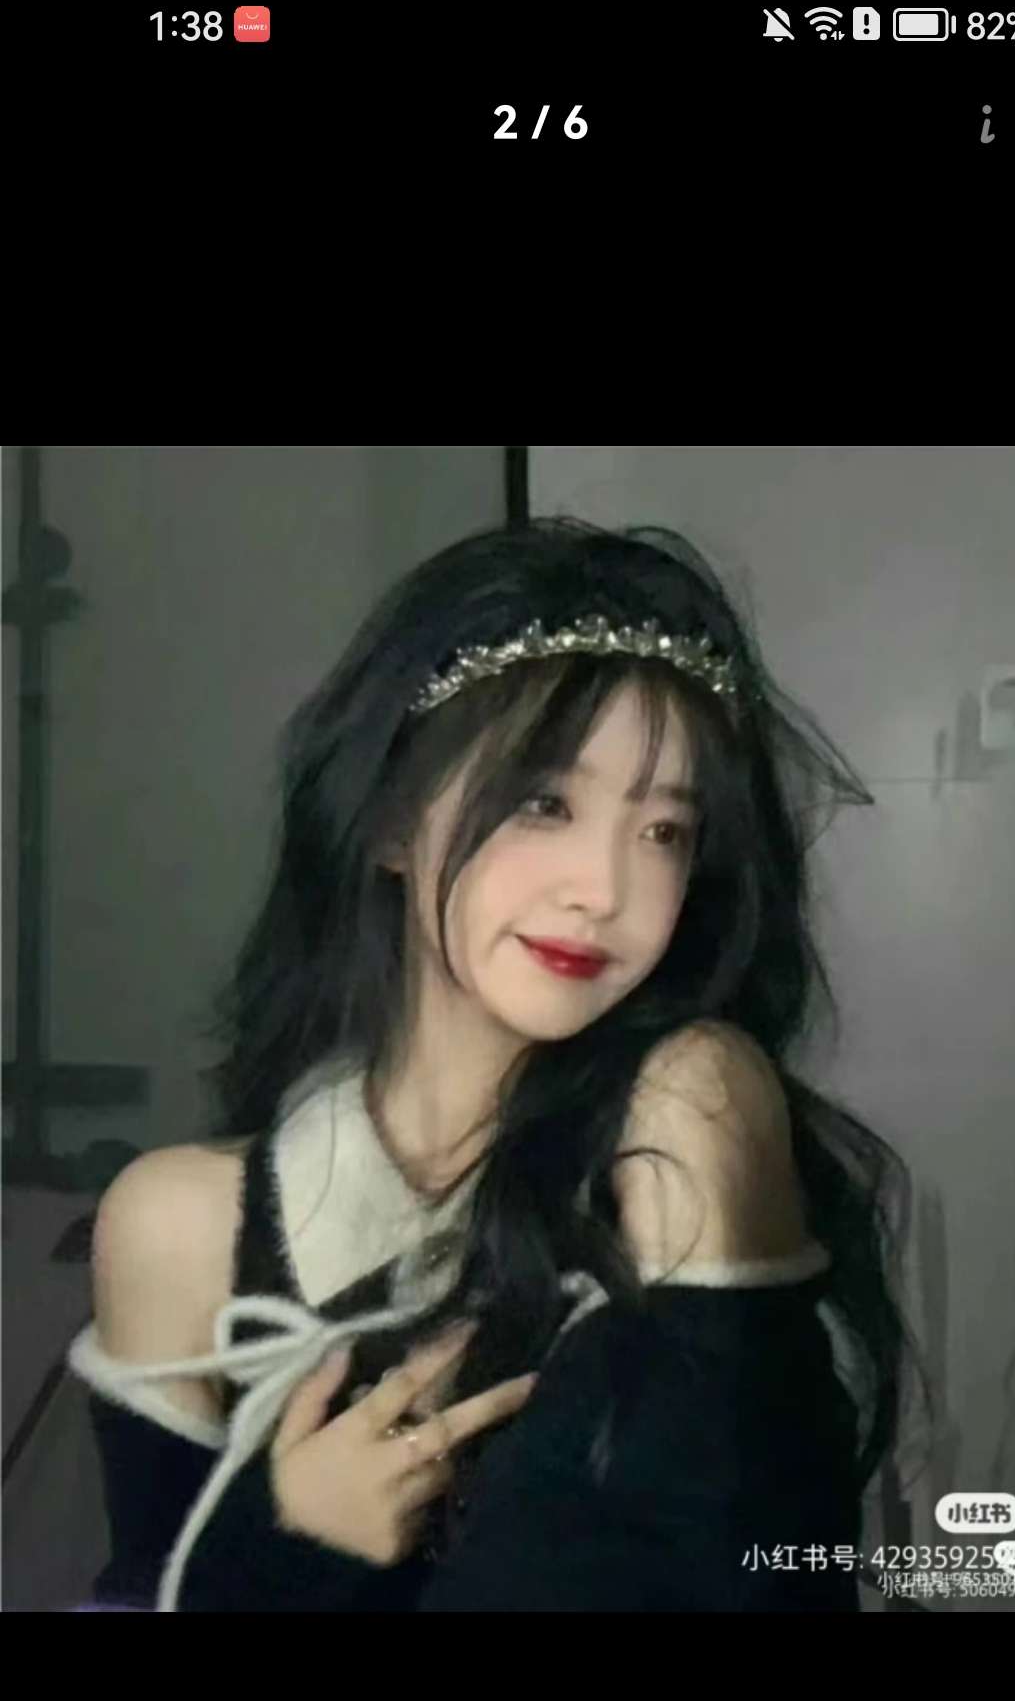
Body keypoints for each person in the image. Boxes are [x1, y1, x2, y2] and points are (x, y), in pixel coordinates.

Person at [68, 514, 934, 1612]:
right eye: (543, 803)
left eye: (665, 832)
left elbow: (758, 1569)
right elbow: (139, 1593)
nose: (604, 890)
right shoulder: (182, 1223)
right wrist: (291, 1541)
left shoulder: (692, 1110)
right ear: (391, 820)